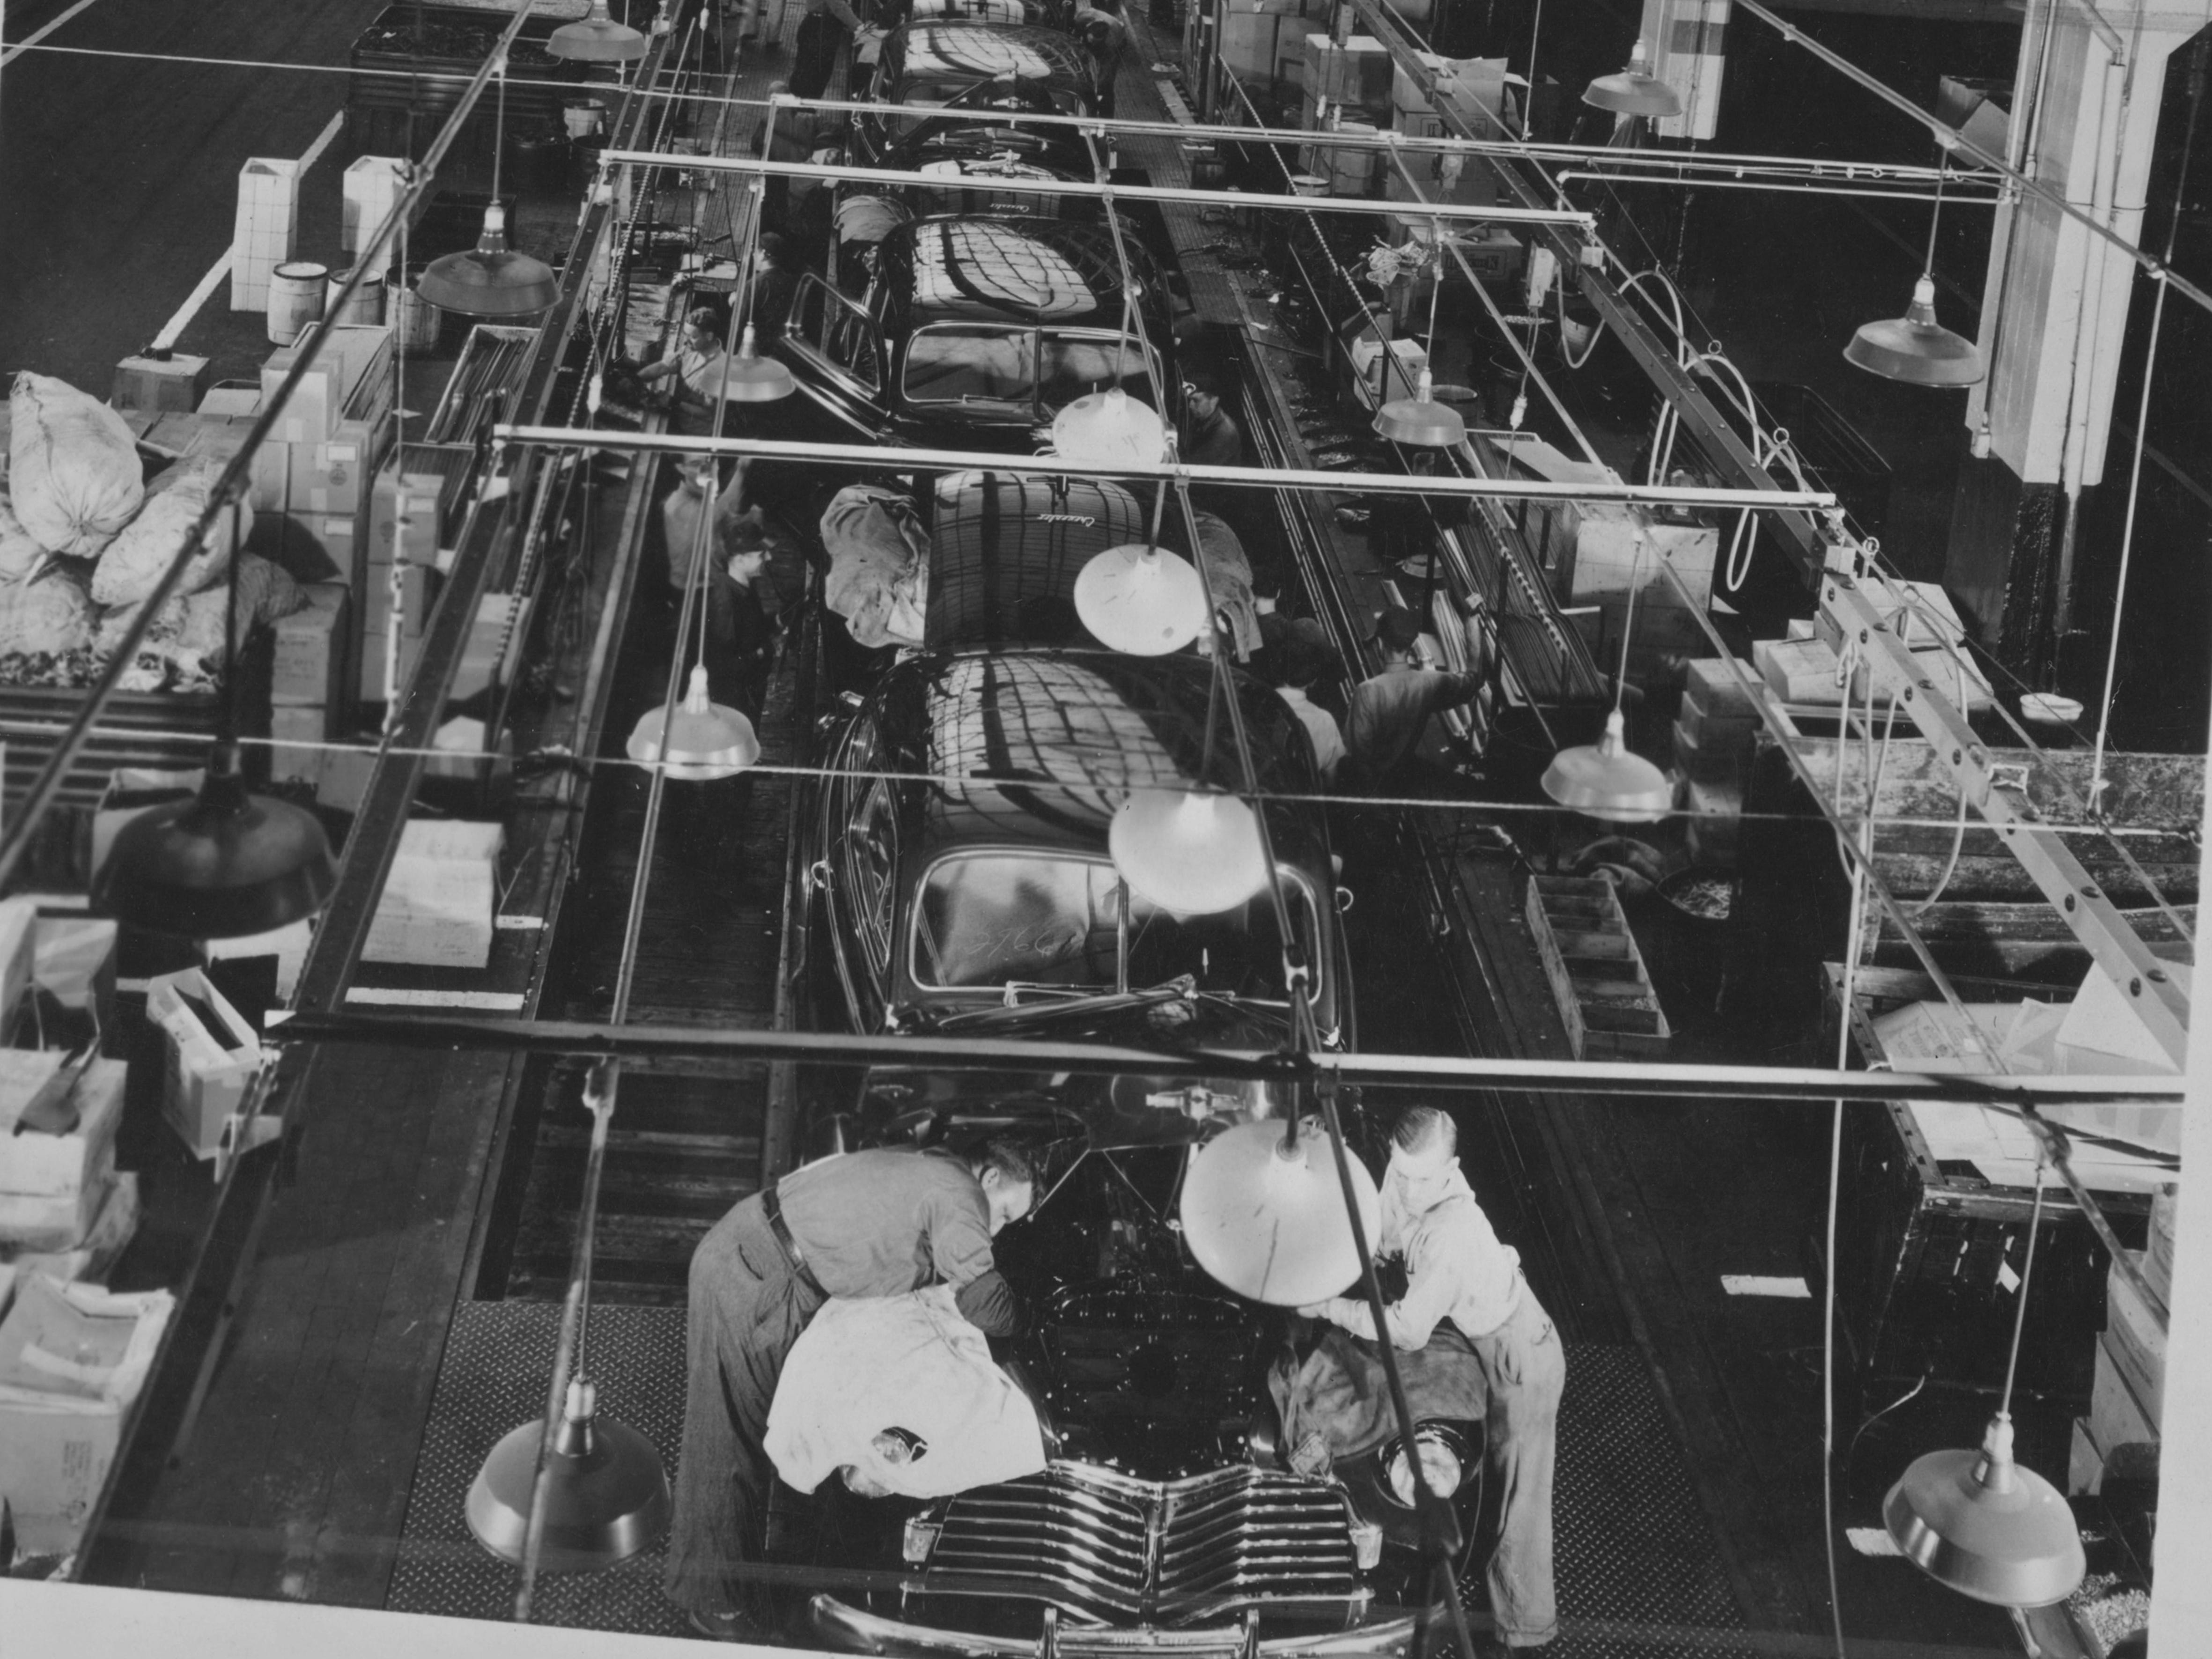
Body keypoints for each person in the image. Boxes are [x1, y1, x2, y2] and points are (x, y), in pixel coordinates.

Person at [667, 1140, 1038, 1639]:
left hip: (756, 1255)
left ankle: (729, 1593)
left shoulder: (932, 1164)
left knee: (739, 1437)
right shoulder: (961, 1193)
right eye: (1007, 1213)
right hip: (757, 1273)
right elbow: (984, 1301)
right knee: (729, 1444)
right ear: (990, 1179)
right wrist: (1032, 1323)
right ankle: (715, 1608)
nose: (998, 1227)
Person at [1303, 1106, 1562, 1654]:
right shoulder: (1406, 1173)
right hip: (1480, 1331)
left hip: (1519, 1354)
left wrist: (1329, 1305)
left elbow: (1406, 1329)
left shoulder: (1451, 1234)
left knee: (1520, 1495)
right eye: (1399, 1171)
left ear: (1452, 1169)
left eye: (1421, 1179)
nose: (1407, 1187)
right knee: (1491, 1479)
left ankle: (1523, 1634)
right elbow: (1382, 1230)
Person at [1342, 609, 1480, 791]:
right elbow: (1471, 683)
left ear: (1381, 644)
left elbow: (1357, 759)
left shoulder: (1367, 692)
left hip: (1373, 788)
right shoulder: (1429, 683)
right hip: (1400, 774)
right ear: (1413, 644)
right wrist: (1472, 630)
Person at [637, 307, 732, 435]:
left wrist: (673, 402)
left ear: (709, 336)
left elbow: (709, 414)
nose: (686, 341)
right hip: (678, 419)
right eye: (685, 335)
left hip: (696, 434)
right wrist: (636, 379)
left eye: (692, 337)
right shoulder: (691, 348)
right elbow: (664, 367)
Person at [1273, 638, 1345, 784]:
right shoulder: (1325, 721)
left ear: (1278, 669)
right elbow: (1334, 779)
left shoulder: (1254, 702)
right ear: (1314, 681)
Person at [789, 0, 863, 99]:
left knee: (808, 70)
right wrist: (860, 27)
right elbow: (838, 6)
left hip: (818, 25)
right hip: (821, 29)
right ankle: (804, 109)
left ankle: (799, 107)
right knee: (815, 73)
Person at [1071, 0, 1128, 117]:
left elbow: (1107, 67)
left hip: (1119, 41)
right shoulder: (1081, 19)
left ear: (1103, 39)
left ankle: (1107, 116)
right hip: (1095, 29)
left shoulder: (1112, 43)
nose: (1092, 43)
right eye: (1090, 40)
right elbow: (1074, 39)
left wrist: (1099, 87)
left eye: (1095, 43)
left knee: (1106, 85)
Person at [745, 230, 803, 344]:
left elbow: (741, 321)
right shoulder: (792, 281)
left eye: (755, 251)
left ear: (763, 254)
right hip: (783, 341)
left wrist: (735, 302)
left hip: (759, 343)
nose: (753, 255)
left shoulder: (754, 284)